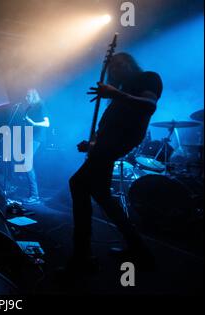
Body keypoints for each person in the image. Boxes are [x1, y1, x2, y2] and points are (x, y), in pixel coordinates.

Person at [68, 52, 163, 272]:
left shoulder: (148, 78)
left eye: (121, 63)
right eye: (113, 67)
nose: (117, 68)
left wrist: (116, 94)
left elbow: (149, 106)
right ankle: (138, 249)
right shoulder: (118, 94)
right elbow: (107, 129)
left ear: (131, 62)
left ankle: (82, 256)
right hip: (105, 146)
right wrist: (91, 145)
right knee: (102, 195)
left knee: (78, 184)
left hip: (119, 143)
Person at [23, 88, 50, 204]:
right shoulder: (29, 108)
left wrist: (33, 123)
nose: (26, 98)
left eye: (28, 96)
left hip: (37, 138)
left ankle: (35, 196)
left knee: (27, 163)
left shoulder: (40, 105)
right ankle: (33, 194)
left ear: (33, 96)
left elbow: (47, 123)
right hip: (30, 138)